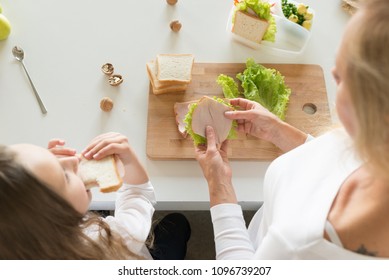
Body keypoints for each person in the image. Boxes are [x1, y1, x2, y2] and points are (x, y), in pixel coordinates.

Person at [194, 0, 389, 259]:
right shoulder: (375, 143)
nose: (332, 73)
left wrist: (219, 185)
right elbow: (332, 167)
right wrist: (277, 131)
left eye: (340, 77)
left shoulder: (305, 246)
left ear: (373, 107)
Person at [0, 132, 190, 259]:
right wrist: (130, 161)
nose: (73, 160)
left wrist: (45, 171)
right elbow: (138, 196)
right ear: (57, 217)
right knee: (178, 223)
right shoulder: (109, 240)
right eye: (65, 176)